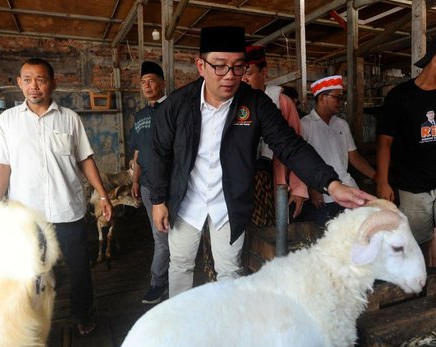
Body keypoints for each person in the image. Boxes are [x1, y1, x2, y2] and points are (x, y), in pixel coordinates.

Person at [147, 26, 374, 298]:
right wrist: (159, 200)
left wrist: (331, 184)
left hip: (228, 203)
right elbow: (157, 152)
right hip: (185, 202)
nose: (230, 76)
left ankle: (229, 330)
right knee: (181, 265)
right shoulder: (177, 104)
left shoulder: (255, 104)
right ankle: (178, 328)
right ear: (201, 66)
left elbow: (289, 145)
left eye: (238, 67)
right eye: (220, 67)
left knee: (230, 271)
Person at [0, 58, 112, 336]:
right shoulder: (7, 122)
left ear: (53, 83)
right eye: (27, 79)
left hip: (68, 210)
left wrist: (103, 195)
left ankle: (82, 313)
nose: (33, 86)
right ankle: (29, 323)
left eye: (40, 79)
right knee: (28, 273)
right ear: (19, 83)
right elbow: (1, 167)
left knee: (79, 268)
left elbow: (85, 160)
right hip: (27, 215)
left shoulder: (70, 119)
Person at [376, 38, 436, 264]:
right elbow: (385, 142)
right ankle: (416, 287)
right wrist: (382, 180)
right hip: (413, 187)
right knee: (415, 242)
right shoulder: (400, 97)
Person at [298, 75, 376, 227]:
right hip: (323, 195)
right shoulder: (305, 125)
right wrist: (312, 188)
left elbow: (354, 156)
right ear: (322, 98)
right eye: (337, 98)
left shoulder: (341, 124)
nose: (341, 102)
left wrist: (376, 176)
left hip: (348, 188)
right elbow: (299, 162)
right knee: (327, 237)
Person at [242, 45, 308, 222]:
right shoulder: (235, 104)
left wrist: (298, 187)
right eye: (240, 73)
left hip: (275, 182)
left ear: (264, 72)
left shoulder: (282, 102)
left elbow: (296, 146)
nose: (243, 79)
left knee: (274, 232)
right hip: (242, 183)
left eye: (248, 73)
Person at [129, 61, 169, 304]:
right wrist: (135, 180)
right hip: (146, 186)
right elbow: (137, 153)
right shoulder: (140, 116)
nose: (147, 86)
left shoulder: (173, 109)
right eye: (143, 82)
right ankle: (161, 281)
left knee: (169, 237)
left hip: (170, 185)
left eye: (151, 80)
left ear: (163, 83)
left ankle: (160, 282)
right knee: (160, 236)